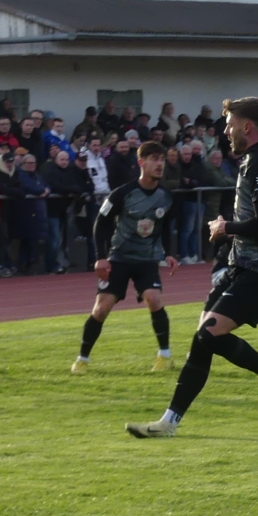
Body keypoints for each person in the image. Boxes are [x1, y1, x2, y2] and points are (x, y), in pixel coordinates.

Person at [127, 96, 258, 437]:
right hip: (243, 260)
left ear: (247, 126)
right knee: (203, 339)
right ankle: (169, 423)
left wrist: (225, 227)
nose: (226, 130)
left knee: (210, 333)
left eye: (230, 124)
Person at [73, 140, 177, 374]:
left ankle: (165, 356)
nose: (159, 164)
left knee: (154, 299)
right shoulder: (122, 193)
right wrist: (101, 257)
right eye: (154, 159)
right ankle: (82, 359)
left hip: (147, 260)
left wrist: (169, 253)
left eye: (162, 159)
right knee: (101, 309)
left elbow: (166, 226)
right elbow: (101, 224)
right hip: (119, 258)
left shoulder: (166, 196)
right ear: (141, 162)